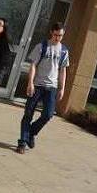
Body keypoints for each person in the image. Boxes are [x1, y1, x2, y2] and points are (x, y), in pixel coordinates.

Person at [16, 22, 69, 154]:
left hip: (51, 87)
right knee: (28, 113)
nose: (58, 38)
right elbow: (33, 65)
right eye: (56, 35)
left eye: (60, 35)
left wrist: (62, 88)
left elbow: (63, 70)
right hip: (38, 85)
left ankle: (31, 133)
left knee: (48, 114)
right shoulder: (42, 46)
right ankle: (22, 142)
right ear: (52, 32)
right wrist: (30, 83)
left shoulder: (64, 51)